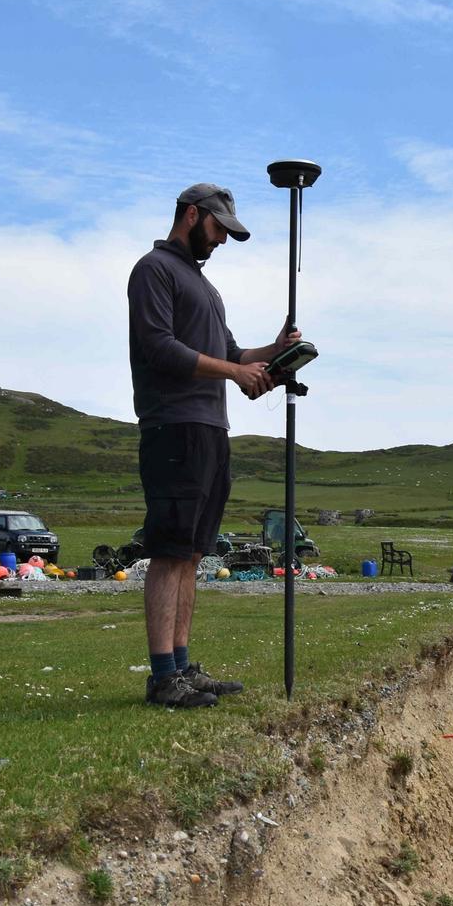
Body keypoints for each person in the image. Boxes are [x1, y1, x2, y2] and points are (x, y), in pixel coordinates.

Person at [128, 182, 301, 709]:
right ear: (192, 214)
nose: (223, 239)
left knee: (194, 552)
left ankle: (182, 664)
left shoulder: (206, 288)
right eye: (219, 228)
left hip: (210, 429)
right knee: (169, 551)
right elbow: (158, 346)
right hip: (173, 426)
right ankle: (162, 677)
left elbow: (230, 351)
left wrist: (277, 350)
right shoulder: (153, 270)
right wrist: (235, 371)